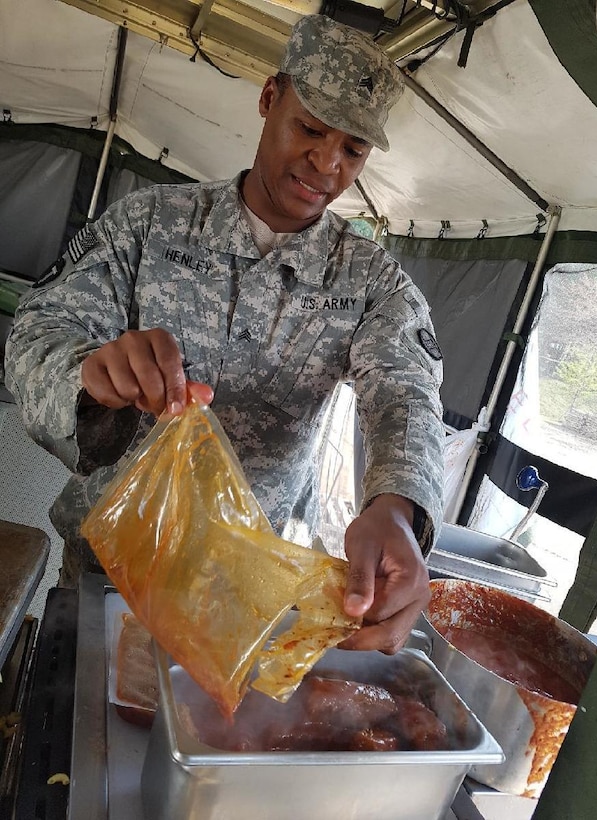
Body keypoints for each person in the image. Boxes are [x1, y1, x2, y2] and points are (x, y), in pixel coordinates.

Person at [5, 14, 444, 654]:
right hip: (106, 575)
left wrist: (398, 505)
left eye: (353, 149)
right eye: (311, 129)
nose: (326, 164)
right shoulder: (148, 223)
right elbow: (38, 332)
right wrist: (88, 373)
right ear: (269, 99)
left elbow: (406, 392)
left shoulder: (369, 277)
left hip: (240, 594)